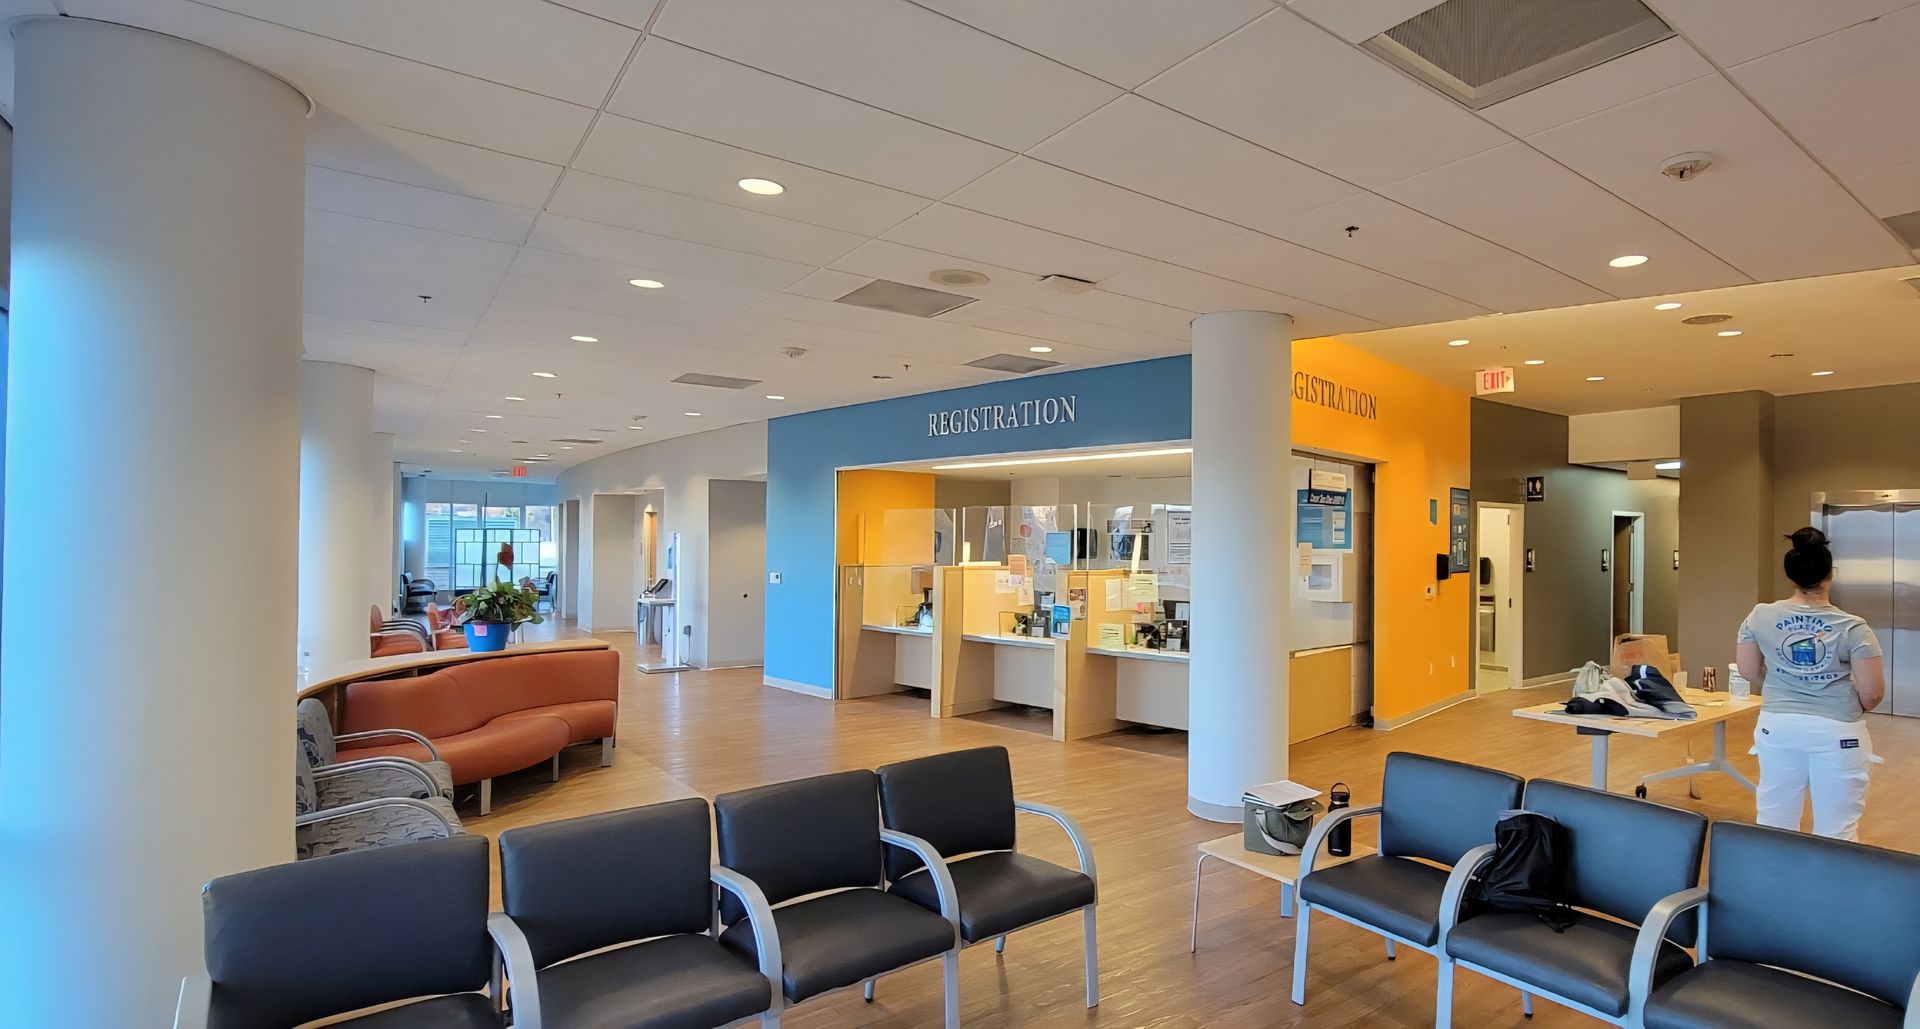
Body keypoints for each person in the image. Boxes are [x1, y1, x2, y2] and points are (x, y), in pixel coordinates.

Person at [1735, 527, 1885, 841]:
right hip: (1838, 731)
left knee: (1775, 821)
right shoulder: (1853, 627)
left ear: (1791, 575)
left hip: (1777, 726)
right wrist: (1844, 704)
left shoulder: (1759, 616)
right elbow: (1872, 693)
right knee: (1837, 829)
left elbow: (1748, 671)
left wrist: (1781, 684)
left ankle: (1775, 873)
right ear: (1831, 575)